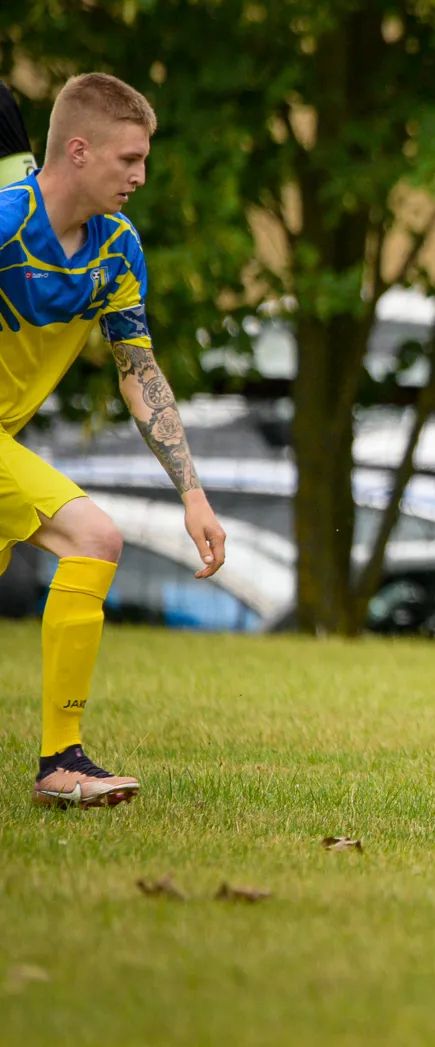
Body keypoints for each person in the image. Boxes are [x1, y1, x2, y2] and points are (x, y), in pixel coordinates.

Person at [7, 74, 228, 807]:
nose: (140, 176)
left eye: (144, 161)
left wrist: (192, 493)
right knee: (94, 537)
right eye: (129, 159)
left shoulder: (117, 248)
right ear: (79, 151)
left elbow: (139, 373)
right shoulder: (5, 224)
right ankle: (61, 762)